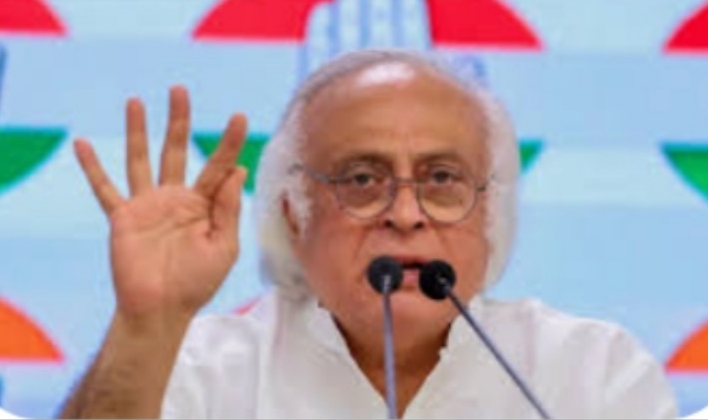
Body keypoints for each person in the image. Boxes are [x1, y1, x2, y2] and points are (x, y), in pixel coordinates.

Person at [59, 49, 678, 419]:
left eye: (441, 179)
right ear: (295, 216)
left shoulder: (591, 373)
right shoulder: (200, 369)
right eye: (362, 179)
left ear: (489, 216)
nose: (405, 213)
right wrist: (146, 326)